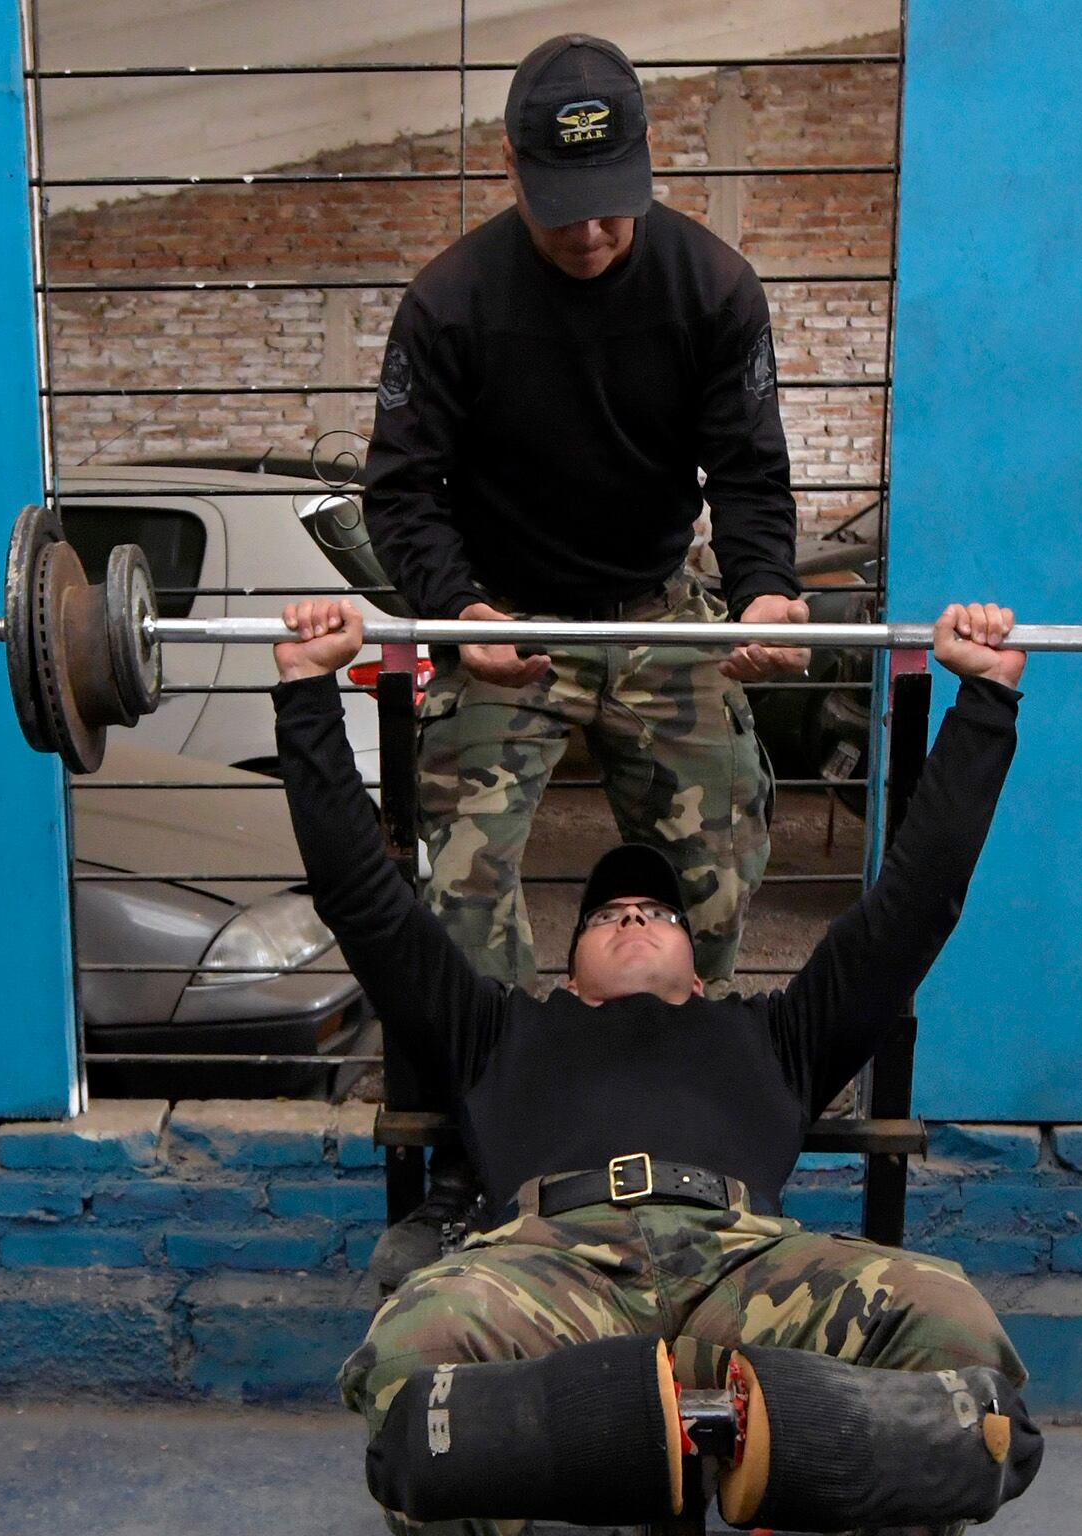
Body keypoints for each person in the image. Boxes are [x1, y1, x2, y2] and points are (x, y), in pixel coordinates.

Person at [267, 592, 1033, 1536]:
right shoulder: (497, 1029)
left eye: (656, 907)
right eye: (605, 907)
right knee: (405, 1365)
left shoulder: (775, 1037)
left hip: (750, 1262)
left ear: (696, 958)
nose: (631, 910)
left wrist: (982, 702)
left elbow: (915, 903)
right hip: (549, 1260)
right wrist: (301, 696)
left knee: (959, 1353)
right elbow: (363, 895)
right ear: (566, 967)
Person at [361, 32, 812, 1273]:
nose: (592, 236)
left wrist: (765, 593)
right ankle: (491, 1141)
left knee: (716, 864)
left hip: (660, 612)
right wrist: (459, 611)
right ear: (511, 169)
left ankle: (686, 1119)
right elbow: (401, 492)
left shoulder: (713, 287)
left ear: (644, 168)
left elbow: (751, 471)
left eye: (613, 208)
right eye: (565, 215)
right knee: (456, 888)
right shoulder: (450, 302)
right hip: (509, 619)